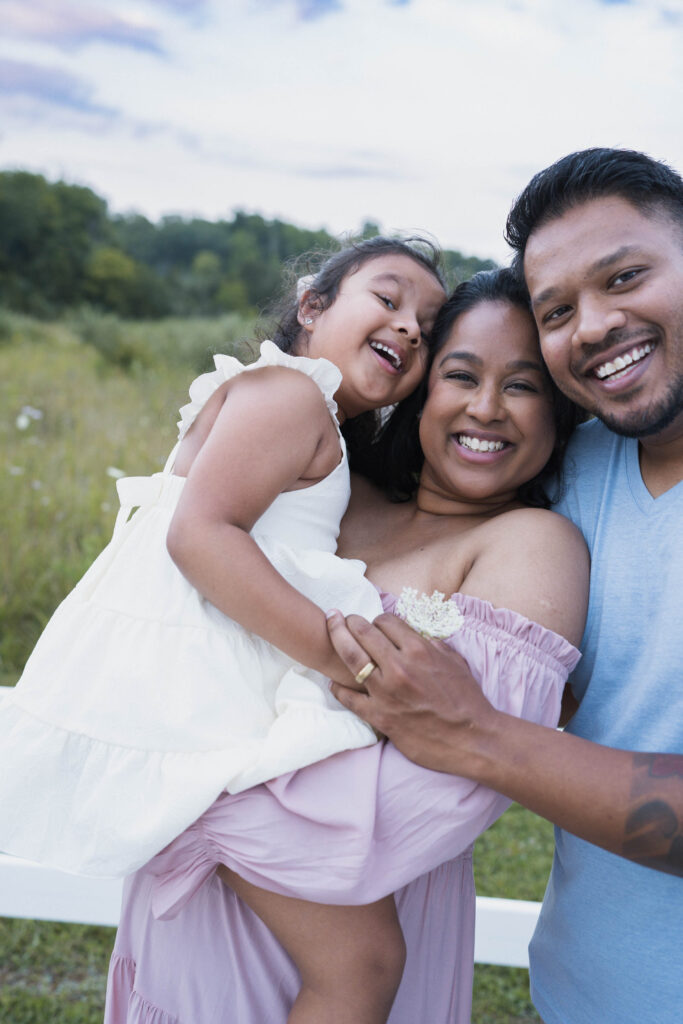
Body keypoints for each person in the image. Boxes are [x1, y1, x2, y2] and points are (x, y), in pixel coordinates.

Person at [104, 268, 588, 1024]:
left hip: (338, 929)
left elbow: (440, 792)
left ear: (559, 416)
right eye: (459, 374)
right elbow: (172, 596)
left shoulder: (529, 544)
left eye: (523, 388)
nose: (485, 408)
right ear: (421, 386)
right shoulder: (327, 494)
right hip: (185, 930)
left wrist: (177, 795)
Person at [0, 236, 446, 1024]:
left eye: (428, 323)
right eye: (388, 299)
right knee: (363, 964)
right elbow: (200, 535)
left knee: (355, 957)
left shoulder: (307, 415)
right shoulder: (290, 396)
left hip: (214, 703)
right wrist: (346, 666)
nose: (410, 326)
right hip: (205, 714)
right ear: (312, 306)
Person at [328, 149, 683, 1023]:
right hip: (578, 997)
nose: (592, 325)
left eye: (625, 276)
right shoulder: (580, 469)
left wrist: (478, 734)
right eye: (557, 310)